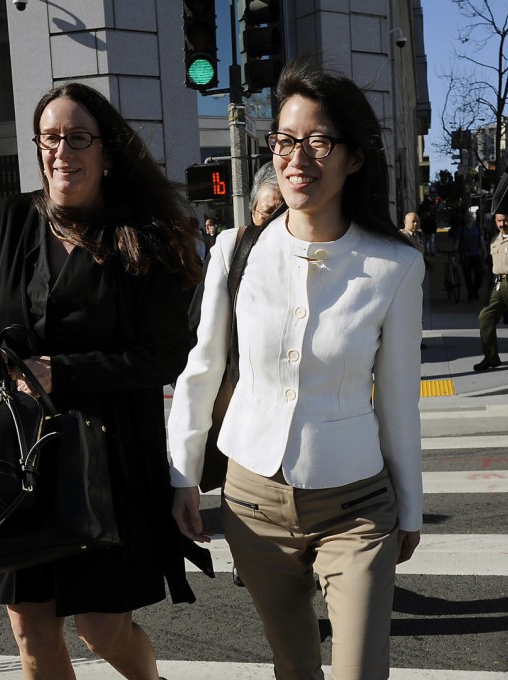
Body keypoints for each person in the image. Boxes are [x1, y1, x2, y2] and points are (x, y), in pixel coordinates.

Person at [0, 81, 201, 680]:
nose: (62, 152)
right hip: (22, 456)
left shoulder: (143, 235)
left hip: (109, 457)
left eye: (78, 138)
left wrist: (65, 371)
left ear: (106, 150)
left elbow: (164, 356)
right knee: (30, 629)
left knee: (103, 629)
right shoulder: (7, 220)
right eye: (50, 139)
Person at [168, 59, 424, 680]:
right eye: (285, 141)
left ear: (353, 157)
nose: (297, 159)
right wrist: (180, 477)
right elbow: (202, 369)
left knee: (361, 671)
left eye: (318, 142)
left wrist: (410, 507)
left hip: (356, 505)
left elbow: (398, 400)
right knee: (295, 667)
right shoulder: (236, 251)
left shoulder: (395, 266)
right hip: (252, 501)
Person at [473, 213, 508, 376]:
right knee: (485, 317)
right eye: (498, 221)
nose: (502, 223)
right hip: (497, 284)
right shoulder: (494, 240)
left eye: (505, 219)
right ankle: (491, 357)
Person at [452, 207, 484, 301]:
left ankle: (475, 291)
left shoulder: (477, 228)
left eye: (471, 216)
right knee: (467, 276)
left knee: (479, 275)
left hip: (476, 255)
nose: (470, 218)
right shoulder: (461, 229)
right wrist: (455, 251)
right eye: (468, 216)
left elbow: (481, 241)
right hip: (465, 255)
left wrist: (484, 252)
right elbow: (457, 242)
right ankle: (471, 294)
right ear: (464, 218)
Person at [250, 161, 285, 226]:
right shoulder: (234, 235)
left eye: (283, 212)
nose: (276, 220)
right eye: (268, 212)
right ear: (253, 214)